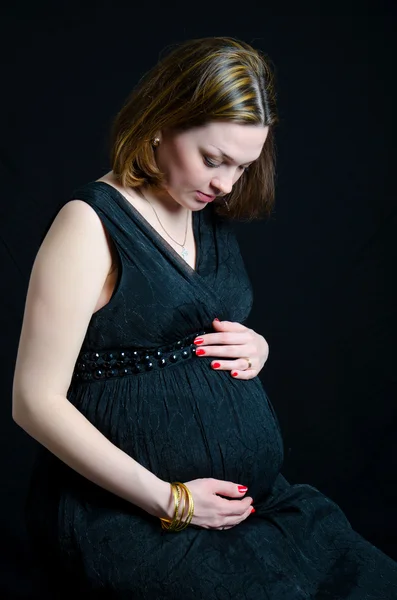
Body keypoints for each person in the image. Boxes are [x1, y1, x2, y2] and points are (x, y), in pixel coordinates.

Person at [12, 36, 397, 599]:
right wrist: (175, 500)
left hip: (257, 506)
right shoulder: (88, 225)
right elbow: (33, 400)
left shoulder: (203, 212)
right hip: (134, 518)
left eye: (242, 167)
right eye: (213, 159)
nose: (224, 184)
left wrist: (256, 347)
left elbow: (178, 327)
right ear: (160, 122)